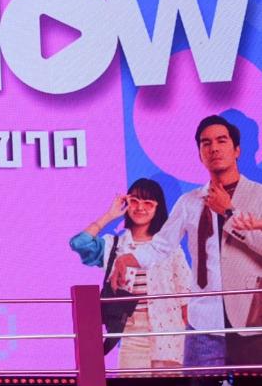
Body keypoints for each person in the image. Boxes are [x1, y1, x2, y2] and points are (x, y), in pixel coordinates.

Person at [112, 115, 262, 367]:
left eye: (221, 141)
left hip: (251, 319)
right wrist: (128, 258)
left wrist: (229, 212)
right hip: (203, 322)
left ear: (237, 150)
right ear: (200, 154)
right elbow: (161, 246)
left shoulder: (258, 195)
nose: (214, 148)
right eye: (206, 143)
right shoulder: (189, 202)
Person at [69, 179, 189, 370]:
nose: (140, 207)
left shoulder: (170, 248)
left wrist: (188, 337)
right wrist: (110, 215)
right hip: (131, 333)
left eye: (148, 203)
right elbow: (79, 243)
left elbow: (185, 297)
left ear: (158, 208)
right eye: (134, 201)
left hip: (170, 334)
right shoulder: (114, 245)